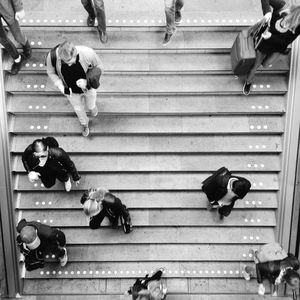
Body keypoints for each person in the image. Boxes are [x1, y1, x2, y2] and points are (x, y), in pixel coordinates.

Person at [243, 0, 300, 95]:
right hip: (264, 43)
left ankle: (266, 58)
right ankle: (248, 82)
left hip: (277, 46)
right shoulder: (282, 6)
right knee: (255, 67)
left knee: (265, 65)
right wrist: (268, 13)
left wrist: (271, 37)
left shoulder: (298, 27)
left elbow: (285, 43)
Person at [46, 41, 103, 137]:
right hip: (71, 91)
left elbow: (100, 67)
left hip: (88, 88)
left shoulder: (87, 53)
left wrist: (87, 81)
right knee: (78, 109)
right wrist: (60, 85)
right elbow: (50, 72)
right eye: (64, 61)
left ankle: (92, 107)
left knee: (91, 102)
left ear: (75, 53)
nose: (68, 64)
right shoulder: (52, 57)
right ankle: (84, 124)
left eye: (70, 61)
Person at [0, 0, 32, 74]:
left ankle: (26, 44)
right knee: (2, 39)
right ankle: (18, 59)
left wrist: (19, 8)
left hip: (6, 7)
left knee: (17, 34)